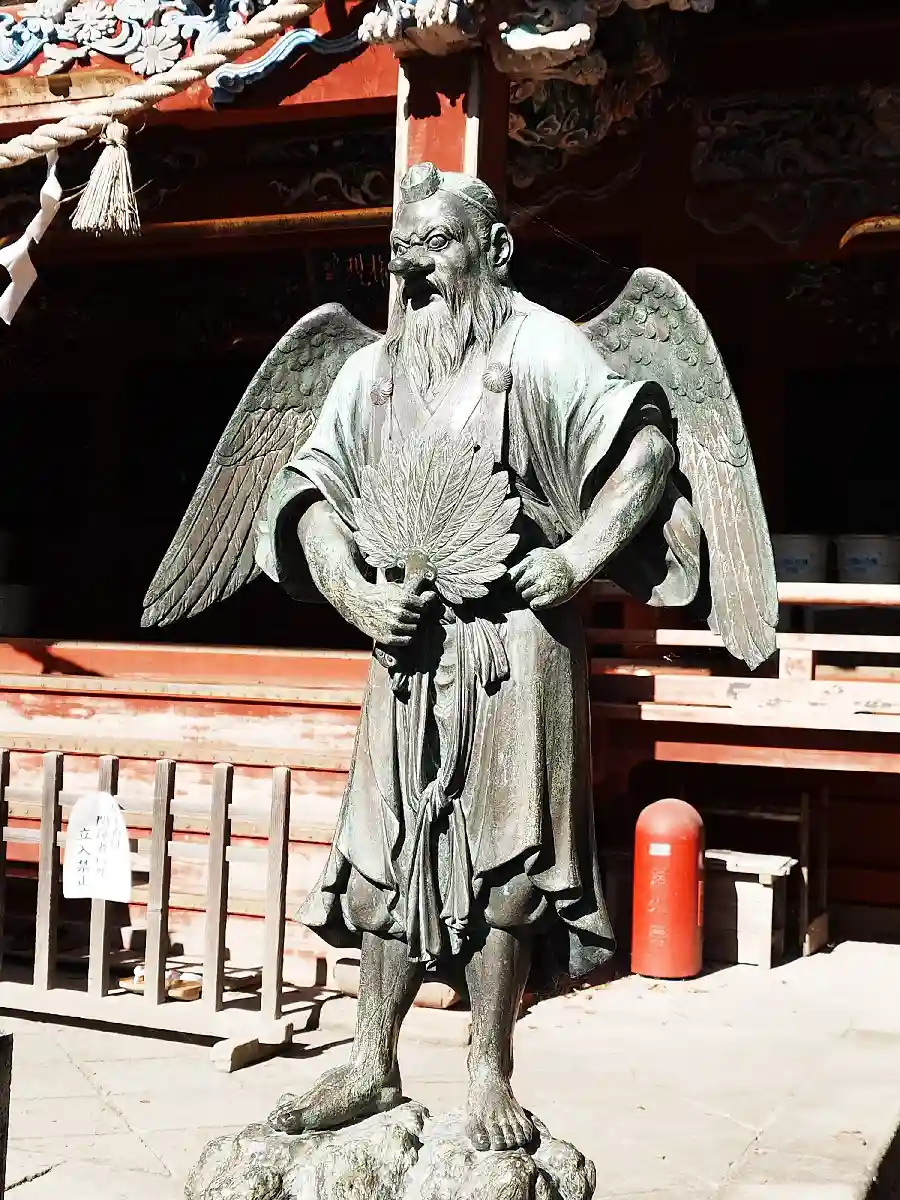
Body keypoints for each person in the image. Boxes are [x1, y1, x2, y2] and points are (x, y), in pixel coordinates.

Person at [259, 161, 693, 1152]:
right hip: (405, 642)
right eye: (401, 253)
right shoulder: (371, 374)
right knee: (383, 847)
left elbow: (650, 450)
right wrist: (355, 594)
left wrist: (578, 557)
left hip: (515, 641)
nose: (412, 269)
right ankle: (370, 1060)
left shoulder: (544, 347)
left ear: (493, 250)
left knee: (510, 853)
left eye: (436, 246)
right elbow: (307, 494)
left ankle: (489, 1065)